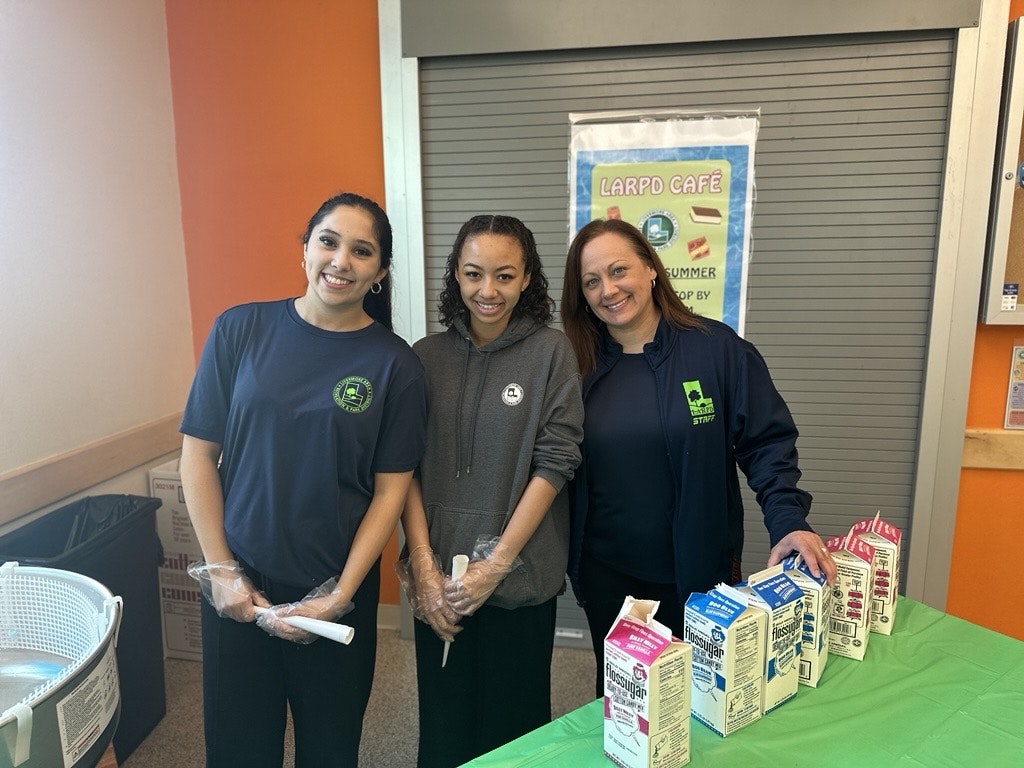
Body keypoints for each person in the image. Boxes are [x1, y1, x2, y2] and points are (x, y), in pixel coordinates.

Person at [179, 192, 427, 767]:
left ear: (381, 272)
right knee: (239, 750)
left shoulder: (396, 365)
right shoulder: (240, 329)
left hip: (336, 591)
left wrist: (340, 595)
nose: (341, 261)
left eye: (361, 251)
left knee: (330, 749)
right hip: (238, 584)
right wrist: (221, 571)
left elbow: (391, 491)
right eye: (328, 242)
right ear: (306, 250)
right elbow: (197, 456)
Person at [560, 218, 836, 697]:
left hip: (694, 573)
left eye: (619, 269)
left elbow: (766, 442)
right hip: (605, 572)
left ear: (650, 268)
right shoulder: (574, 366)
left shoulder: (716, 351)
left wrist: (788, 519)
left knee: (699, 699)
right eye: (591, 281)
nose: (608, 289)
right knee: (623, 698)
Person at [398, 214, 584, 768]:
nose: (488, 291)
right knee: (444, 725)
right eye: (474, 274)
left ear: (527, 278)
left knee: (515, 731)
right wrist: (425, 569)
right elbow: (401, 467)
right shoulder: (423, 356)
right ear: (455, 273)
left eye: (505, 276)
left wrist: (497, 563)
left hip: (521, 572)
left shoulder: (552, 352)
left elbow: (556, 461)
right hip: (438, 579)